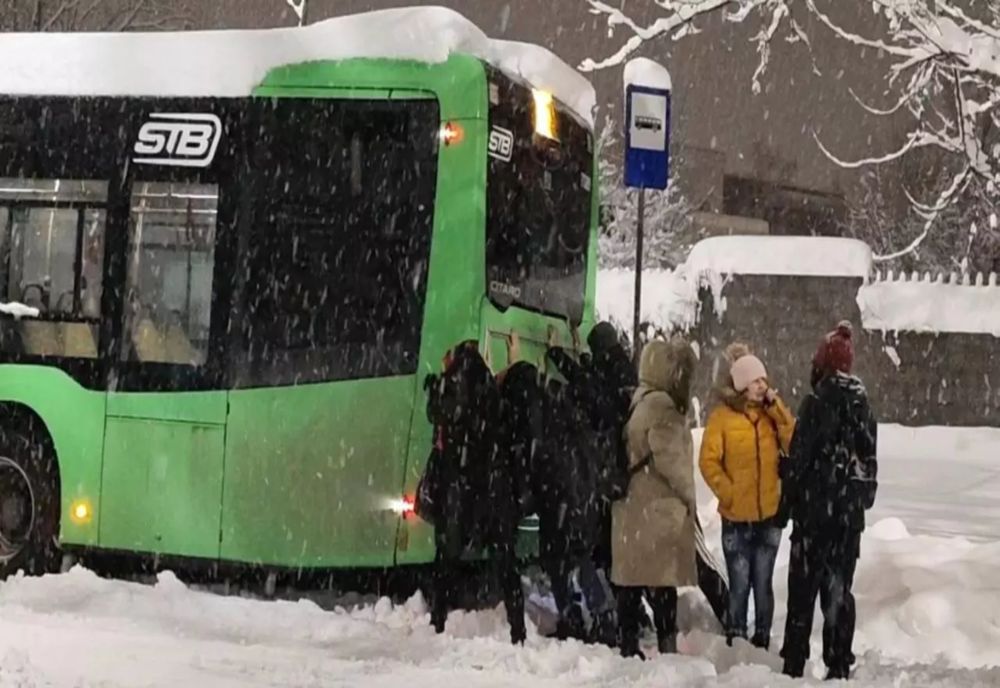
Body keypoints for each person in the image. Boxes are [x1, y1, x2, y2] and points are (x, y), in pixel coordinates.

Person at [780, 321, 878, 680]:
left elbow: (799, 461)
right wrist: (853, 501)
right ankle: (838, 662)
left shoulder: (815, 403)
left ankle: (794, 663)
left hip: (813, 516)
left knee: (802, 594)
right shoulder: (864, 408)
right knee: (838, 592)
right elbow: (869, 469)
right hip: (847, 521)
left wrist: (787, 501)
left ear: (822, 364)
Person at [699, 343, 795, 649]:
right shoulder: (722, 418)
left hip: (769, 516)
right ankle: (736, 637)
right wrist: (728, 492)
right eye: (755, 380)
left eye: (764, 379)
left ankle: (762, 639)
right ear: (741, 384)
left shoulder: (771, 415)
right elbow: (708, 461)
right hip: (736, 518)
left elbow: (794, 442)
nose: (762, 385)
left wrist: (777, 407)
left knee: (763, 584)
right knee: (739, 584)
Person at [612, 337, 698, 659]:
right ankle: (667, 647)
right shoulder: (662, 408)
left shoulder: (637, 401)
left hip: (633, 508)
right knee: (663, 585)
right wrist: (689, 497)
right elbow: (672, 461)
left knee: (631, 583)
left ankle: (628, 646)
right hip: (657, 509)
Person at [421, 341, 503, 637]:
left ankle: (440, 614)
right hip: (480, 477)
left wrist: (435, 388)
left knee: (447, 546)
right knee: (475, 538)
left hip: (455, 476)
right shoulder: (486, 385)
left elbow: (437, 414)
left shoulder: (454, 385)